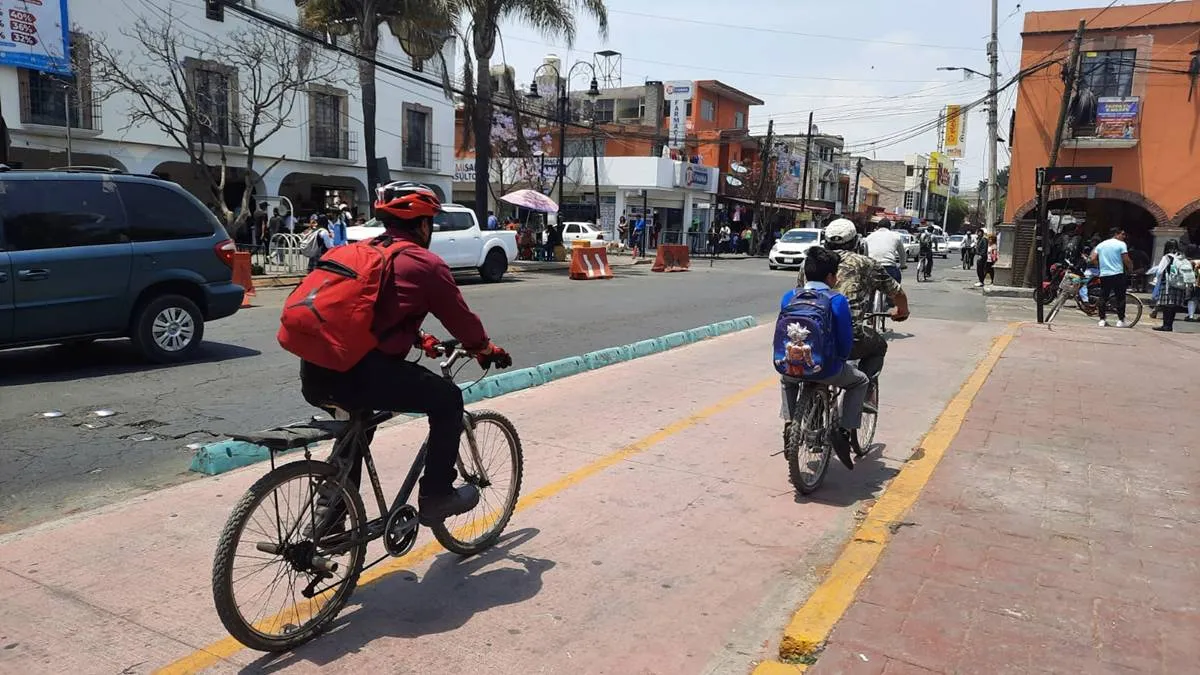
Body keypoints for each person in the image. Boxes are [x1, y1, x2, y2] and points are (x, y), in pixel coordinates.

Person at [299, 183, 512, 526]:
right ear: (424, 225)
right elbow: (462, 322)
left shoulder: (357, 252)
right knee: (447, 400)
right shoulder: (424, 263)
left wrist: (419, 337)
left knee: (359, 422)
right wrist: (485, 348)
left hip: (315, 372)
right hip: (363, 374)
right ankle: (437, 496)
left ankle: (331, 521)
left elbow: (368, 315)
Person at [779, 247, 871, 470]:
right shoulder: (837, 300)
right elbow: (846, 340)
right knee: (860, 381)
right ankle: (843, 431)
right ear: (831, 277)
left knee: (786, 380)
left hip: (791, 364)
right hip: (826, 368)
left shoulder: (789, 296)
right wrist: (841, 359)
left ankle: (791, 422)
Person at [796, 219, 910, 383]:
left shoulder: (809, 263)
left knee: (789, 378)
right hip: (848, 341)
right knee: (878, 347)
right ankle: (866, 398)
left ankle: (789, 409)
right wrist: (902, 311)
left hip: (808, 335)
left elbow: (800, 294)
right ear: (857, 243)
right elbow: (897, 292)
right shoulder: (864, 263)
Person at [1090, 228, 1133, 327]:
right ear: (1116, 234)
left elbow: (1092, 258)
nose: (1124, 236)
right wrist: (1131, 268)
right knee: (1120, 297)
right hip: (1118, 273)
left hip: (1105, 274)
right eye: (1122, 234)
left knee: (1103, 296)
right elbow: (1126, 259)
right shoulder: (1121, 244)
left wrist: (1100, 265)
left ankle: (1102, 319)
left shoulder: (1101, 245)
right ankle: (1121, 320)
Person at [1151, 240, 1196, 332]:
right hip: (1180, 284)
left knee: (1166, 306)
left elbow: (1160, 271)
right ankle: (1169, 325)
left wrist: (1156, 280)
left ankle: (1166, 325)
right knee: (1173, 306)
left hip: (1168, 284)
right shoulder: (1181, 256)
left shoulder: (1167, 257)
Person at [864, 218, 907, 283]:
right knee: (895, 290)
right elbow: (902, 254)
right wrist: (902, 265)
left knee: (868, 289)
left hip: (873, 269)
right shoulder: (896, 237)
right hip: (889, 268)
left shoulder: (868, 237)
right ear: (890, 227)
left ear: (877, 227)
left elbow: (866, 256)